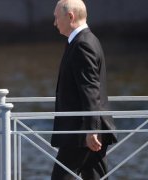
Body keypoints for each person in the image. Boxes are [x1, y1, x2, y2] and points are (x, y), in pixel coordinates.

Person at [50, 0, 117, 179]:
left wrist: (91, 130)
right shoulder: (86, 40)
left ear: (70, 16)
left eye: (57, 18)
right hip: (87, 130)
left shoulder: (82, 44)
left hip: (81, 134)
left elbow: (90, 89)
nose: (55, 23)